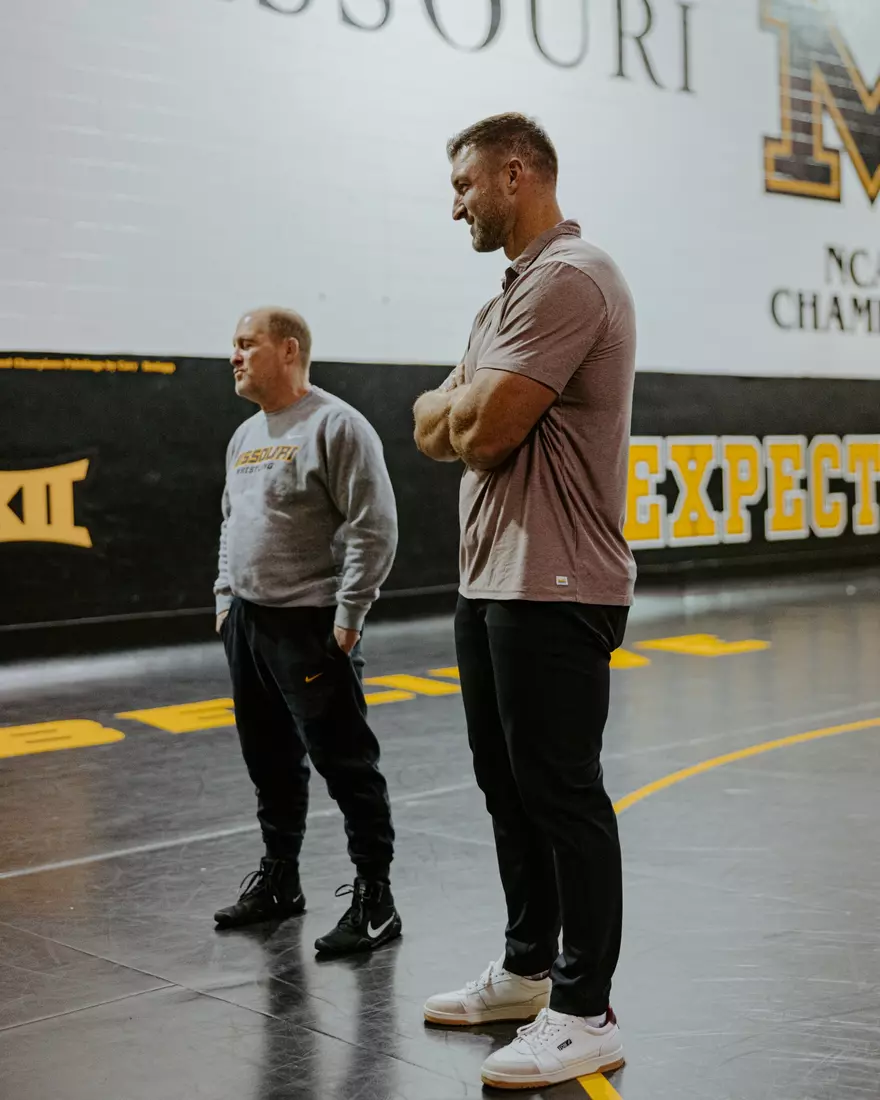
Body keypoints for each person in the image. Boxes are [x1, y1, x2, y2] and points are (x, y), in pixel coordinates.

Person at [414, 114, 637, 1089]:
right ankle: (524, 968)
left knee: (561, 788)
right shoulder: (505, 297)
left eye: (464, 183)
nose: (453, 202)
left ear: (516, 173)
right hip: (491, 577)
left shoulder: (569, 278)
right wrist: (464, 402)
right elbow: (431, 421)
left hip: (555, 579)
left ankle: (585, 1007)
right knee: (506, 785)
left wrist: (467, 402)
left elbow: (485, 428)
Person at [213, 306, 402, 957]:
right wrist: (224, 600)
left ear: (287, 350)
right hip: (250, 625)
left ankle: (376, 901)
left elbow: (374, 526)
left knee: (346, 767)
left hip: (312, 630)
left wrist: (349, 615)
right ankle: (280, 882)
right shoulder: (243, 436)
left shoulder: (336, 425)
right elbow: (229, 522)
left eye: (246, 344)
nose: (234, 356)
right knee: (269, 762)